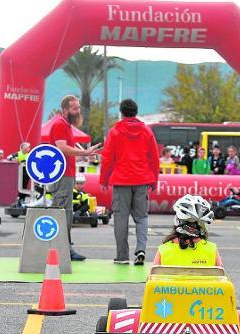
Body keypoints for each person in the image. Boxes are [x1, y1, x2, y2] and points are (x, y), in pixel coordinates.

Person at [100, 98, 160, 265]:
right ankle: (140, 249)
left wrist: (104, 179)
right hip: (142, 181)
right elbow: (154, 158)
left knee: (121, 218)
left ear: (121, 112)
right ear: (136, 111)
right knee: (141, 217)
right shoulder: (147, 132)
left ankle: (122, 256)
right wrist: (154, 180)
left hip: (121, 181)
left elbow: (107, 158)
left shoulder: (115, 132)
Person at [49, 95, 101, 261]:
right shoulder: (60, 124)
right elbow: (62, 148)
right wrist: (84, 152)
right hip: (62, 175)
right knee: (63, 212)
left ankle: (64, 248)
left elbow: (65, 151)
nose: (78, 111)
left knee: (66, 212)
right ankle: (62, 250)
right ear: (65, 110)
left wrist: (82, 157)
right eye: (75, 108)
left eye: (78, 107)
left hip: (66, 174)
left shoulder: (65, 125)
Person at [152, 194, 223, 267]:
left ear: (178, 220)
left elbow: (152, 276)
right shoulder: (212, 250)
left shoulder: (164, 250)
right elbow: (222, 276)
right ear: (203, 226)